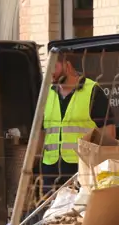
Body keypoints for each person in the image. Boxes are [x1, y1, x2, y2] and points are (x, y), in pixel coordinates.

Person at [36, 51, 110, 195]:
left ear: (67, 65)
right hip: (50, 173)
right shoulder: (46, 92)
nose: (50, 72)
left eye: (54, 67)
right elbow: (40, 133)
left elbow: (108, 134)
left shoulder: (93, 91)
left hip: (81, 171)